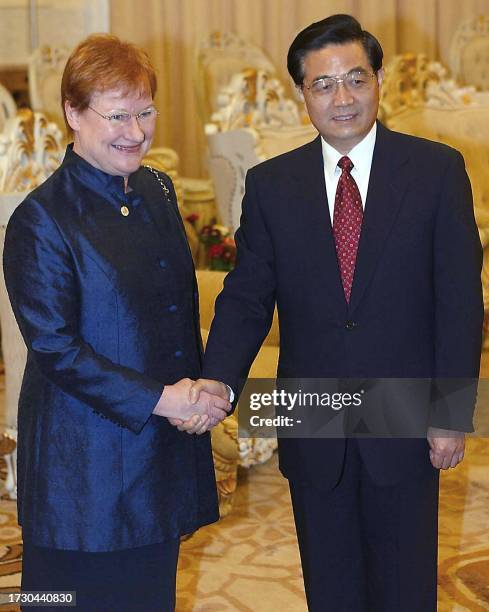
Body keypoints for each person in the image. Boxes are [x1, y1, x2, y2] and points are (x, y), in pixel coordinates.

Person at [190, 14, 483, 612]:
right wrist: (218, 381)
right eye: (323, 84)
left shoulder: (435, 171)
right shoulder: (272, 184)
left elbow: (459, 299)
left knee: (404, 588)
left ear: (379, 80)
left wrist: (451, 413)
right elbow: (248, 296)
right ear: (302, 93)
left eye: (356, 78)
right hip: (314, 416)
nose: (342, 97)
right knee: (330, 587)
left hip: (404, 416)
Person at [3, 34, 230, 612]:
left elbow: (172, 310)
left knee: (150, 596)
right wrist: (166, 400)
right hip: (82, 466)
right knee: (66, 601)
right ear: (73, 114)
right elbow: (56, 350)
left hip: (157, 449)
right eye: (118, 115)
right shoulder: (40, 220)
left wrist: (199, 391)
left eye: (146, 111)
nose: (136, 131)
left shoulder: (156, 189)